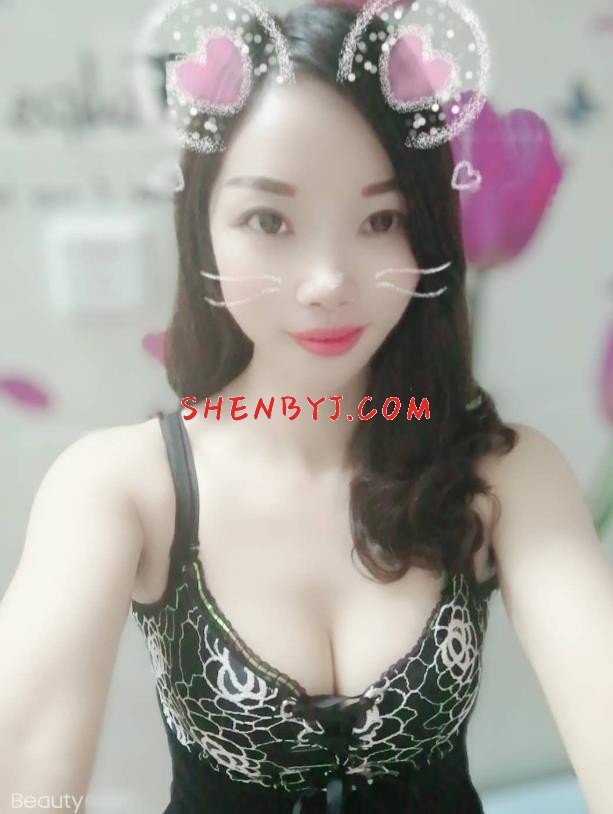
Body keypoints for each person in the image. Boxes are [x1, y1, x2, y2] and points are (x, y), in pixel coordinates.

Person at [2, 1, 611, 813]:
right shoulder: (122, 488)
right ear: (203, 229)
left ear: (426, 236)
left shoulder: (504, 477)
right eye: (269, 219)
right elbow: (26, 772)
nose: (327, 282)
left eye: (380, 219)